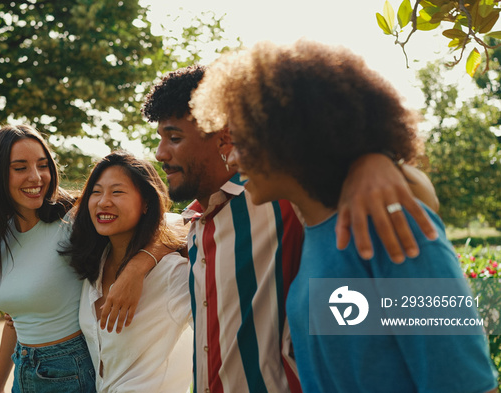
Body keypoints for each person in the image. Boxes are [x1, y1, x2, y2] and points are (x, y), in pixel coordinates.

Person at [191, 39, 498, 392]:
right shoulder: (316, 235)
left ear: (286, 136)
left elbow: (467, 384)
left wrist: (378, 160)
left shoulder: (388, 227)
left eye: (241, 140)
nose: (232, 158)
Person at [142, 65, 440, 393]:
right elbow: (163, 228)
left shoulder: (278, 195)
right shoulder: (196, 219)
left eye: (174, 137)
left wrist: (375, 161)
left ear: (223, 136)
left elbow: (418, 195)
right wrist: (143, 259)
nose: (160, 154)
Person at [0, 125, 162, 393]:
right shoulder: (2, 234)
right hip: (23, 370)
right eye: (20, 168)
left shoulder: (73, 218)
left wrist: (137, 268)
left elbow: (172, 227)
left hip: (70, 372)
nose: (36, 177)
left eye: (43, 165)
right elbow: (15, 321)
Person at [60, 151, 193, 392]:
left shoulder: (173, 273)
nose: (103, 202)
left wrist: (139, 266)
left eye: (117, 192)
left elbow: (192, 223)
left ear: (146, 203)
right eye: (96, 192)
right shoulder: (94, 266)